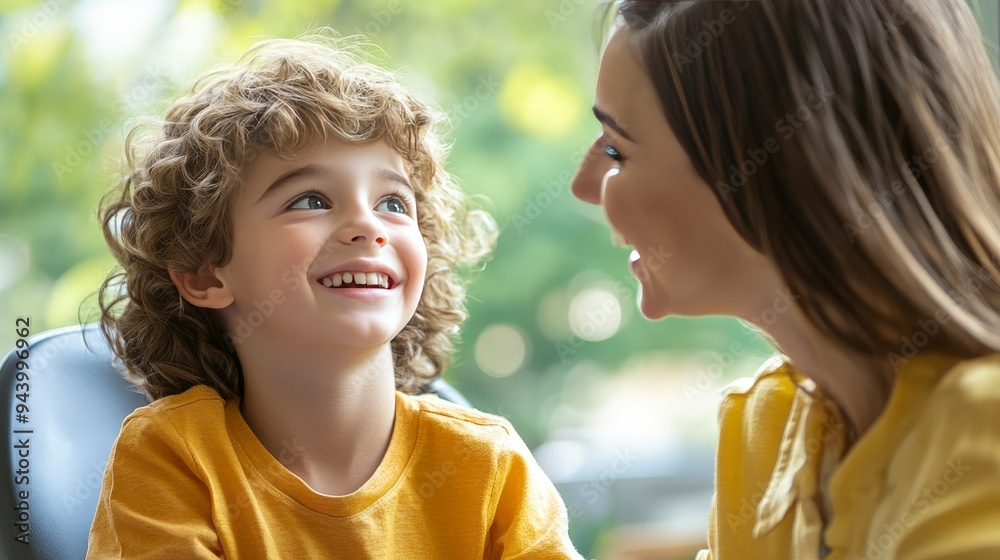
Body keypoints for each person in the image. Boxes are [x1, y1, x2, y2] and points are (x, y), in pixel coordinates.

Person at [87, 34, 582, 559]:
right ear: (205, 272)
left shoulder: (491, 465)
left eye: (394, 203)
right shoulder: (173, 456)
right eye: (310, 200)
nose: (369, 226)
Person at [571, 1, 1000, 558]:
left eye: (616, 149)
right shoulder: (763, 428)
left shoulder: (983, 438)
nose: (584, 187)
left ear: (781, 169)